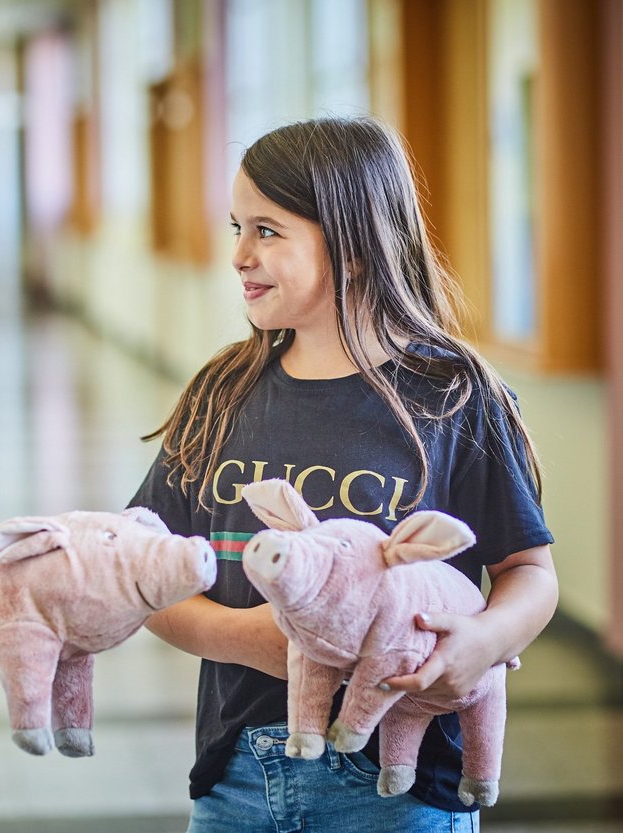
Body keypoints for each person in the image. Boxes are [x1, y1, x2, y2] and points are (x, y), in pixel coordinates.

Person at [128, 116, 558, 833]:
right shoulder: (221, 393)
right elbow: (143, 573)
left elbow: (529, 571)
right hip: (237, 780)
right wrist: (247, 637)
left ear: (353, 248)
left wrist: (486, 640)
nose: (238, 253)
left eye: (267, 230)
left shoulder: (456, 395)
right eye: (237, 225)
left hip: (402, 785)